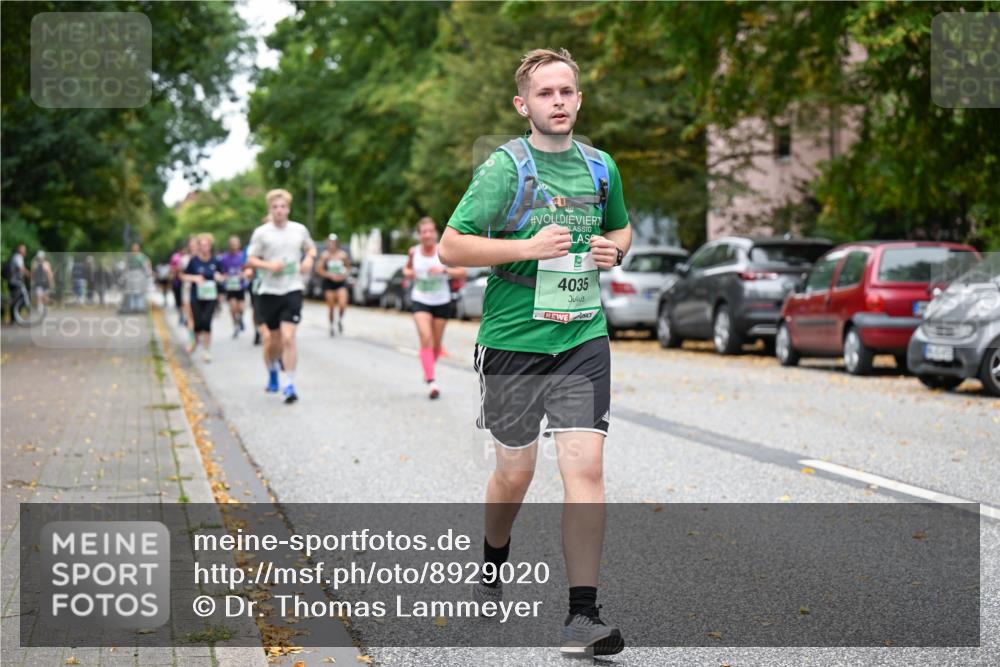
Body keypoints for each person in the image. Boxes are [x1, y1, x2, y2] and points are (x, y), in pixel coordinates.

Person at [438, 48, 632, 657]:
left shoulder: (601, 167)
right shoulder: (505, 169)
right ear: (524, 105)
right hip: (514, 340)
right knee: (515, 473)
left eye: (567, 92)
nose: (558, 102)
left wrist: (612, 249)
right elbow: (451, 247)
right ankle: (494, 556)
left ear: (579, 99)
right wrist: (526, 249)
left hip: (581, 336)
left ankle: (583, 615)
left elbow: (622, 228)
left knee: (586, 469)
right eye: (546, 94)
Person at [245, 190, 315, 403]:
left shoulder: (298, 230)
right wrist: (269, 265)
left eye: (282, 207)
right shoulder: (262, 233)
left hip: (292, 288)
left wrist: (308, 260)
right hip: (268, 291)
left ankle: (290, 384)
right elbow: (250, 259)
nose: (279, 211)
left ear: (288, 208)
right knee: (272, 340)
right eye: (275, 207)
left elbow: (310, 248)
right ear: (270, 209)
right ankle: (273, 370)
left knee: (288, 337)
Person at [404, 217, 465, 399]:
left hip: (441, 301)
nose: (428, 235)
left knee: (436, 344)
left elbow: (463, 271)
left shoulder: (443, 250)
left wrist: (444, 271)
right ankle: (431, 381)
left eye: (431, 231)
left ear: (435, 233)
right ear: (419, 235)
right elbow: (405, 271)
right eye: (424, 231)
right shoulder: (413, 252)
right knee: (426, 336)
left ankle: (428, 367)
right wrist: (411, 273)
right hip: (420, 299)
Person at [180, 234, 224, 362]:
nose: (205, 247)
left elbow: (222, 276)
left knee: (207, 322)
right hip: (196, 296)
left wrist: (218, 277)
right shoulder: (194, 261)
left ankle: (206, 351)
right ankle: (195, 341)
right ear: (199, 247)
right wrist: (195, 278)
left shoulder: (215, 261)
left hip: (211, 296)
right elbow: (183, 276)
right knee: (198, 323)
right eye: (202, 245)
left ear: (210, 246)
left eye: (207, 245)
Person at [315, 233, 351, 336]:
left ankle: (340, 319)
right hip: (329, 283)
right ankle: (331, 325)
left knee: (343, 304)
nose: (332, 244)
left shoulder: (342, 255)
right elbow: (319, 269)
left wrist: (344, 275)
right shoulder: (325, 255)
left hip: (340, 282)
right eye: (330, 242)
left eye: (333, 242)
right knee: (331, 306)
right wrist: (329, 275)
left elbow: (348, 267)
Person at [218, 235, 248, 338]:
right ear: (229, 245)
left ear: (239, 245)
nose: (234, 246)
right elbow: (221, 272)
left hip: (241, 285)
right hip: (230, 286)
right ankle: (235, 325)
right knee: (233, 307)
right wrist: (224, 276)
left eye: (236, 244)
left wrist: (243, 274)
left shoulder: (243, 256)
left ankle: (240, 319)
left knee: (242, 307)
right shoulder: (224, 258)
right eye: (232, 244)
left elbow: (247, 269)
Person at [4, 244, 28, 322]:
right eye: (24, 249)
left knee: (18, 300)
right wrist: (29, 274)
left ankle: (15, 318)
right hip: (15, 282)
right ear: (20, 250)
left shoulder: (16, 257)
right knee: (17, 300)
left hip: (14, 282)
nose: (25, 251)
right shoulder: (18, 257)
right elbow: (20, 268)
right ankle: (13, 319)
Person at [169, 243, 187, 324]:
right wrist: (177, 269)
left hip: (186, 282)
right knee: (178, 301)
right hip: (177, 282)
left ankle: (185, 316)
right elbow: (171, 269)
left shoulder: (187, 257)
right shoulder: (175, 257)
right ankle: (181, 315)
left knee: (184, 300)